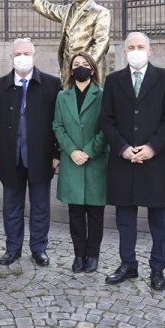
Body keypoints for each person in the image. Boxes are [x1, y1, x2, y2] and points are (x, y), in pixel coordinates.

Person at [101, 32, 165, 291]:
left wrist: (153, 147)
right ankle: (128, 264)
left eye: (140, 46)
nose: (135, 51)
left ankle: (157, 268)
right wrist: (122, 147)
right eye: (131, 47)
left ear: (150, 51)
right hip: (123, 159)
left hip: (155, 159)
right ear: (125, 52)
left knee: (158, 219)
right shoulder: (113, 81)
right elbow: (107, 119)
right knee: (125, 218)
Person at [0, 38, 62, 267]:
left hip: (40, 156)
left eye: (26, 53)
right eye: (17, 54)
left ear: (34, 55)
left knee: (40, 207)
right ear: (11, 57)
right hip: (10, 157)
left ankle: (39, 248)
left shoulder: (51, 84)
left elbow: (59, 122)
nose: (22, 57)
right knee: (11, 207)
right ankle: (13, 248)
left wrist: (56, 153)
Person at [52, 52, 108, 274]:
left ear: (93, 70)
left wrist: (89, 151)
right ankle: (78, 254)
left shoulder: (103, 95)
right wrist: (72, 151)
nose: (81, 68)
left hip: (95, 162)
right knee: (75, 213)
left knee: (95, 213)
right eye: (76, 65)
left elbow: (107, 127)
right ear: (70, 70)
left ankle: (93, 255)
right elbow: (57, 126)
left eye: (85, 64)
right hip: (71, 161)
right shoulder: (62, 96)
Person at [19, 0, 111, 83]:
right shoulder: (67, 10)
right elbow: (49, 9)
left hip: (89, 67)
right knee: (69, 97)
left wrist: (89, 64)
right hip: (69, 66)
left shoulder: (100, 12)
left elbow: (102, 41)